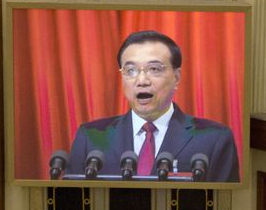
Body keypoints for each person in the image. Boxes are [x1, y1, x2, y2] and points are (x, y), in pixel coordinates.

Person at [65, 30, 239, 182]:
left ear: (176, 77)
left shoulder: (214, 139)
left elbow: (223, 209)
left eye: (154, 69)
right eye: (130, 70)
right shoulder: (91, 137)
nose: (142, 81)